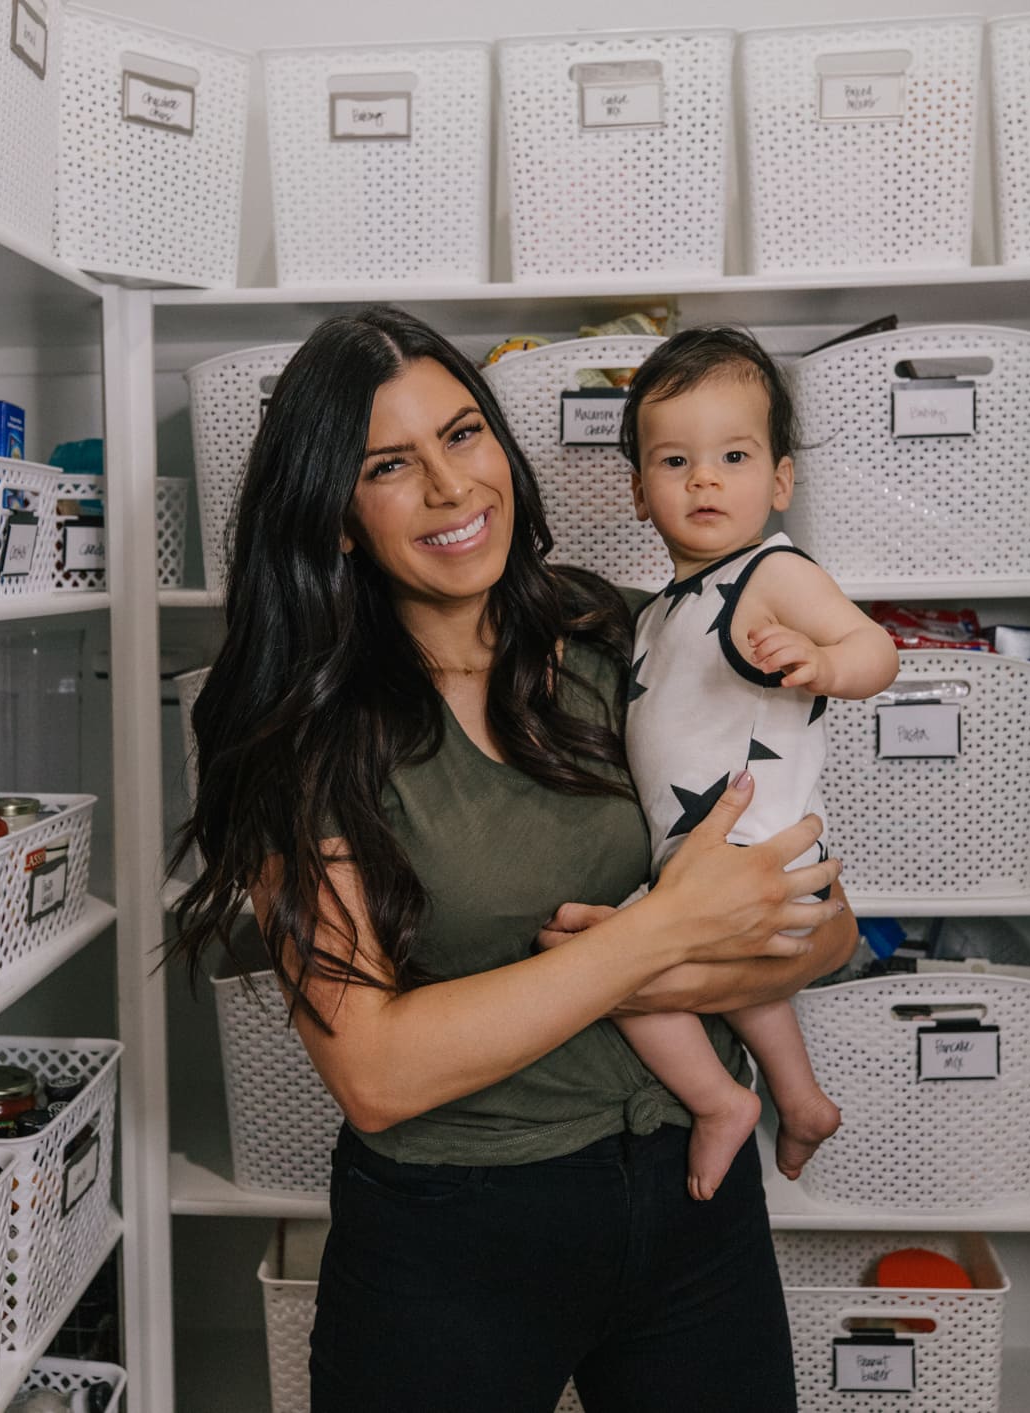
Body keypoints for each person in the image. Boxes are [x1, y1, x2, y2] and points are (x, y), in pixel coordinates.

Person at [169, 306, 857, 1413]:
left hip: (696, 1204)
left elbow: (827, 925)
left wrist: (661, 961)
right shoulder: (293, 736)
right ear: (335, 516)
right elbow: (378, 1075)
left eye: (464, 434)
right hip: (453, 1249)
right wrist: (658, 936)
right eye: (390, 464)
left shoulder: (620, 633)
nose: (451, 489)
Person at [592, 326, 899, 1203]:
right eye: (674, 460)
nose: (704, 478)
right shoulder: (657, 613)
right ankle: (799, 1099)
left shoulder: (772, 572)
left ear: (780, 479)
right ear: (641, 493)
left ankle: (722, 1101)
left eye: (733, 454)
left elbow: (876, 649)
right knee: (731, 987)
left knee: (602, 972)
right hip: (701, 861)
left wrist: (823, 662)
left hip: (754, 856)